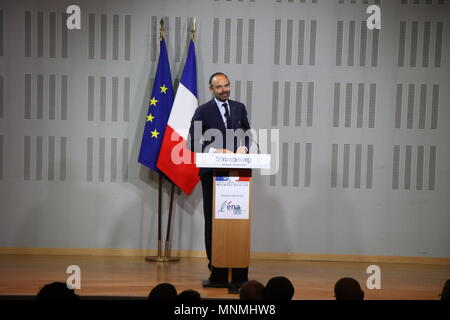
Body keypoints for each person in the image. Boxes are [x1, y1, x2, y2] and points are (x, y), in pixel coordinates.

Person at [187, 72, 251, 287]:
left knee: (237, 220)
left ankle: (240, 275)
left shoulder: (239, 107)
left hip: (238, 175)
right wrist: (214, 150)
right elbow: (193, 142)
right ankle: (217, 272)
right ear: (211, 89)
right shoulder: (202, 111)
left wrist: (245, 147)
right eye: (219, 87)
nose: (224, 90)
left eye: (226, 85)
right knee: (213, 223)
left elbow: (247, 133)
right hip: (212, 174)